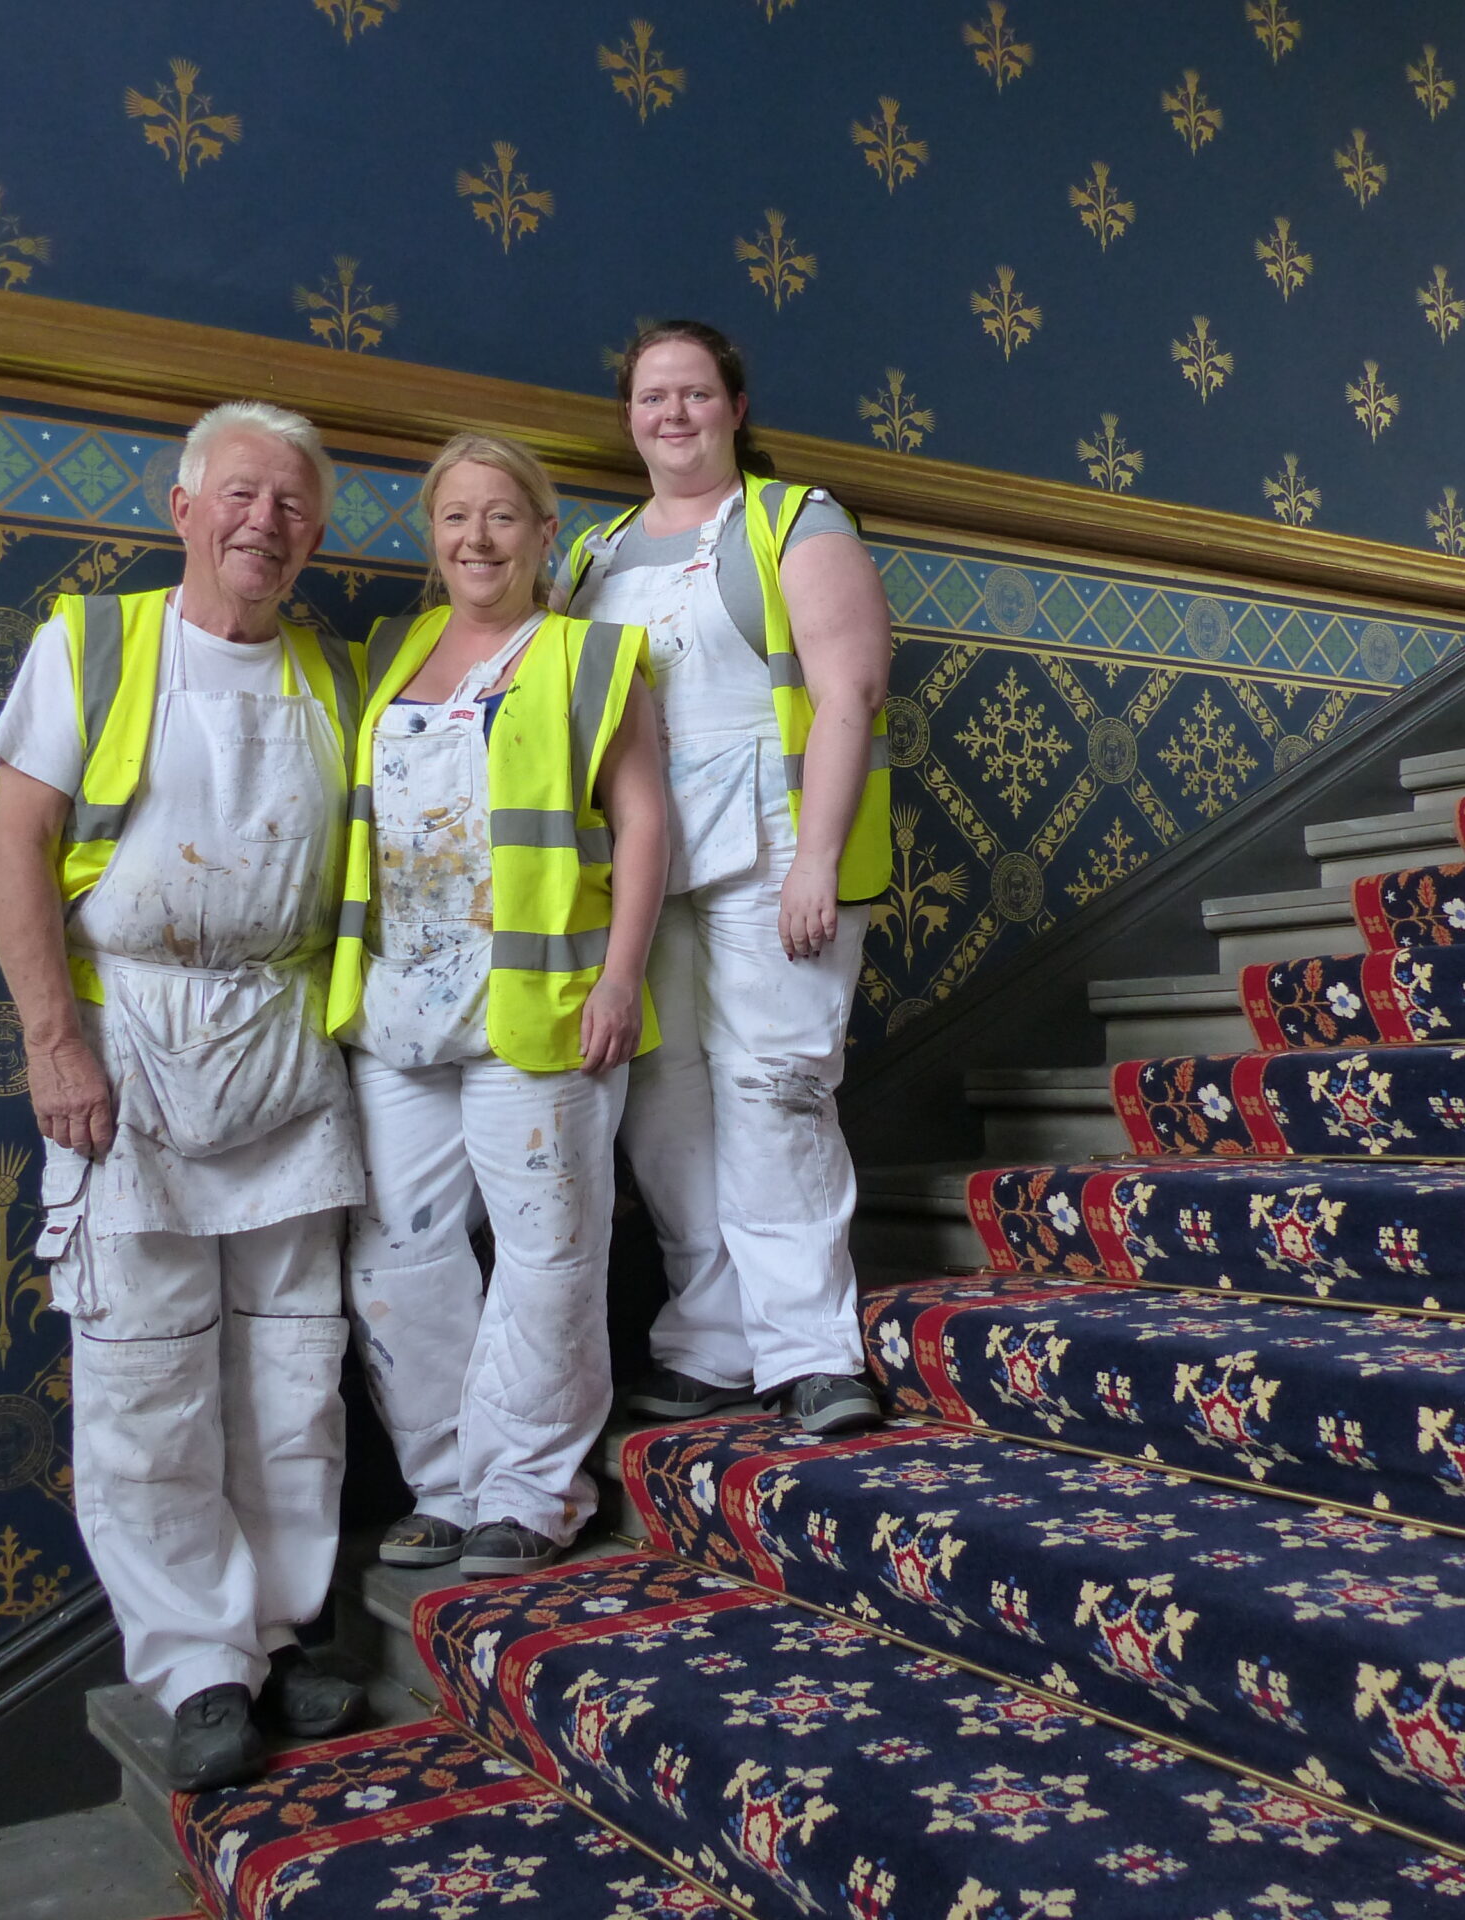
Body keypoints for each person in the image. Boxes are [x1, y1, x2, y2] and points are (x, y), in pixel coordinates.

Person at [0, 400, 366, 1792]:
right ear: (185, 508)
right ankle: (200, 1663)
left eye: (294, 505)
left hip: (285, 1041)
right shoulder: (92, 645)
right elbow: (16, 849)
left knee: (293, 1366)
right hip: (129, 1042)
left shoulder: (339, 677)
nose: (267, 523)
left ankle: (280, 1628)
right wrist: (54, 1045)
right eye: (242, 495)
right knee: (145, 1372)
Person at [331, 431, 667, 1581]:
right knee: (392, 1253)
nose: (477, 538)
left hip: (542, 1002)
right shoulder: (391, 652)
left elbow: (644, 824)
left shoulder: (587, 656)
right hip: (395, 1010)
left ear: (542, 532)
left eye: (502, 516)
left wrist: (620, 978)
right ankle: (446, 1480)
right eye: (455, 517)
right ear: (432, 536)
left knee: (547, 1253)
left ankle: (530, 1491)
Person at [559, 320, 894, 1435]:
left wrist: (817, 860)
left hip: (775, 843)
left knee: (771, 1088)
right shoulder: (592, 557)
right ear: (629, 417)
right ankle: (711, 1337)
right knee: (665, 1104)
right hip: (643, 862)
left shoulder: (794, 520)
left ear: (735, 408)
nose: (673, 413)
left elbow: (848, 693)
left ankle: (810, 1348)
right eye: (652, 396)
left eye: (695, 393)